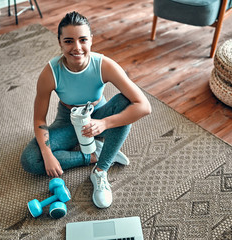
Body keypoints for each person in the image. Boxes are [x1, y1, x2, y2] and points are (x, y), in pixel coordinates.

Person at [21, 11, 151, 208]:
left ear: (91, 40)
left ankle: (100, 170)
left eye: (83, 40)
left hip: (97, 114)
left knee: (126, 102)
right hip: (67, 120)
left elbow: (144, 106)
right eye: (69, 41)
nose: (77, 48)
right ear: (60, 43)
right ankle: (93, 154)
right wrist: (47, 154)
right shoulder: (50, 73)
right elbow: (39, 119)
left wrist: (104, 123)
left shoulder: (104, 65)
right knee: (30, 160)